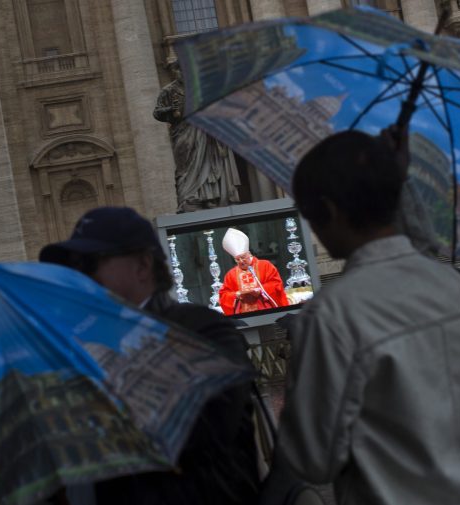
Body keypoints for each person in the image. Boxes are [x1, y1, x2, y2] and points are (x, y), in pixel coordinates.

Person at [268, 128, 460, 505]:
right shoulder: (451, 284)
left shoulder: (333, 313)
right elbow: (419, 248)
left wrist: (297, 379)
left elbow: (314, 460)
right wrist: (393, 177)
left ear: (329, 211)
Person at [39, 207, 259, 505]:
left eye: (90, 264)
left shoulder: (203, 331)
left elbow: (206, 428)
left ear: (142, 266)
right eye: (74, 268)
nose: (81, 278)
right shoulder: (78, 351)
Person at [153, 60, 242, 212]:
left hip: (205, 132)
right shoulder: (169, 90)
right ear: (177, 72)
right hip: (184, 133)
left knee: (209, 162)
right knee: (187, 166)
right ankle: (189, 197)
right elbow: (157, 113)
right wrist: (171, 109)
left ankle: (210, 196)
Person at [218, 228, 289, 315]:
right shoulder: (231, 274)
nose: (241, 261)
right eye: (237, 259)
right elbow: (224, 295)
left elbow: (276, 284)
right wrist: (237, 294)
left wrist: (260, 291)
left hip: (266, 311)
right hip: (244, 315)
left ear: (249, 254)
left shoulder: (265, 265)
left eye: (243, 257)